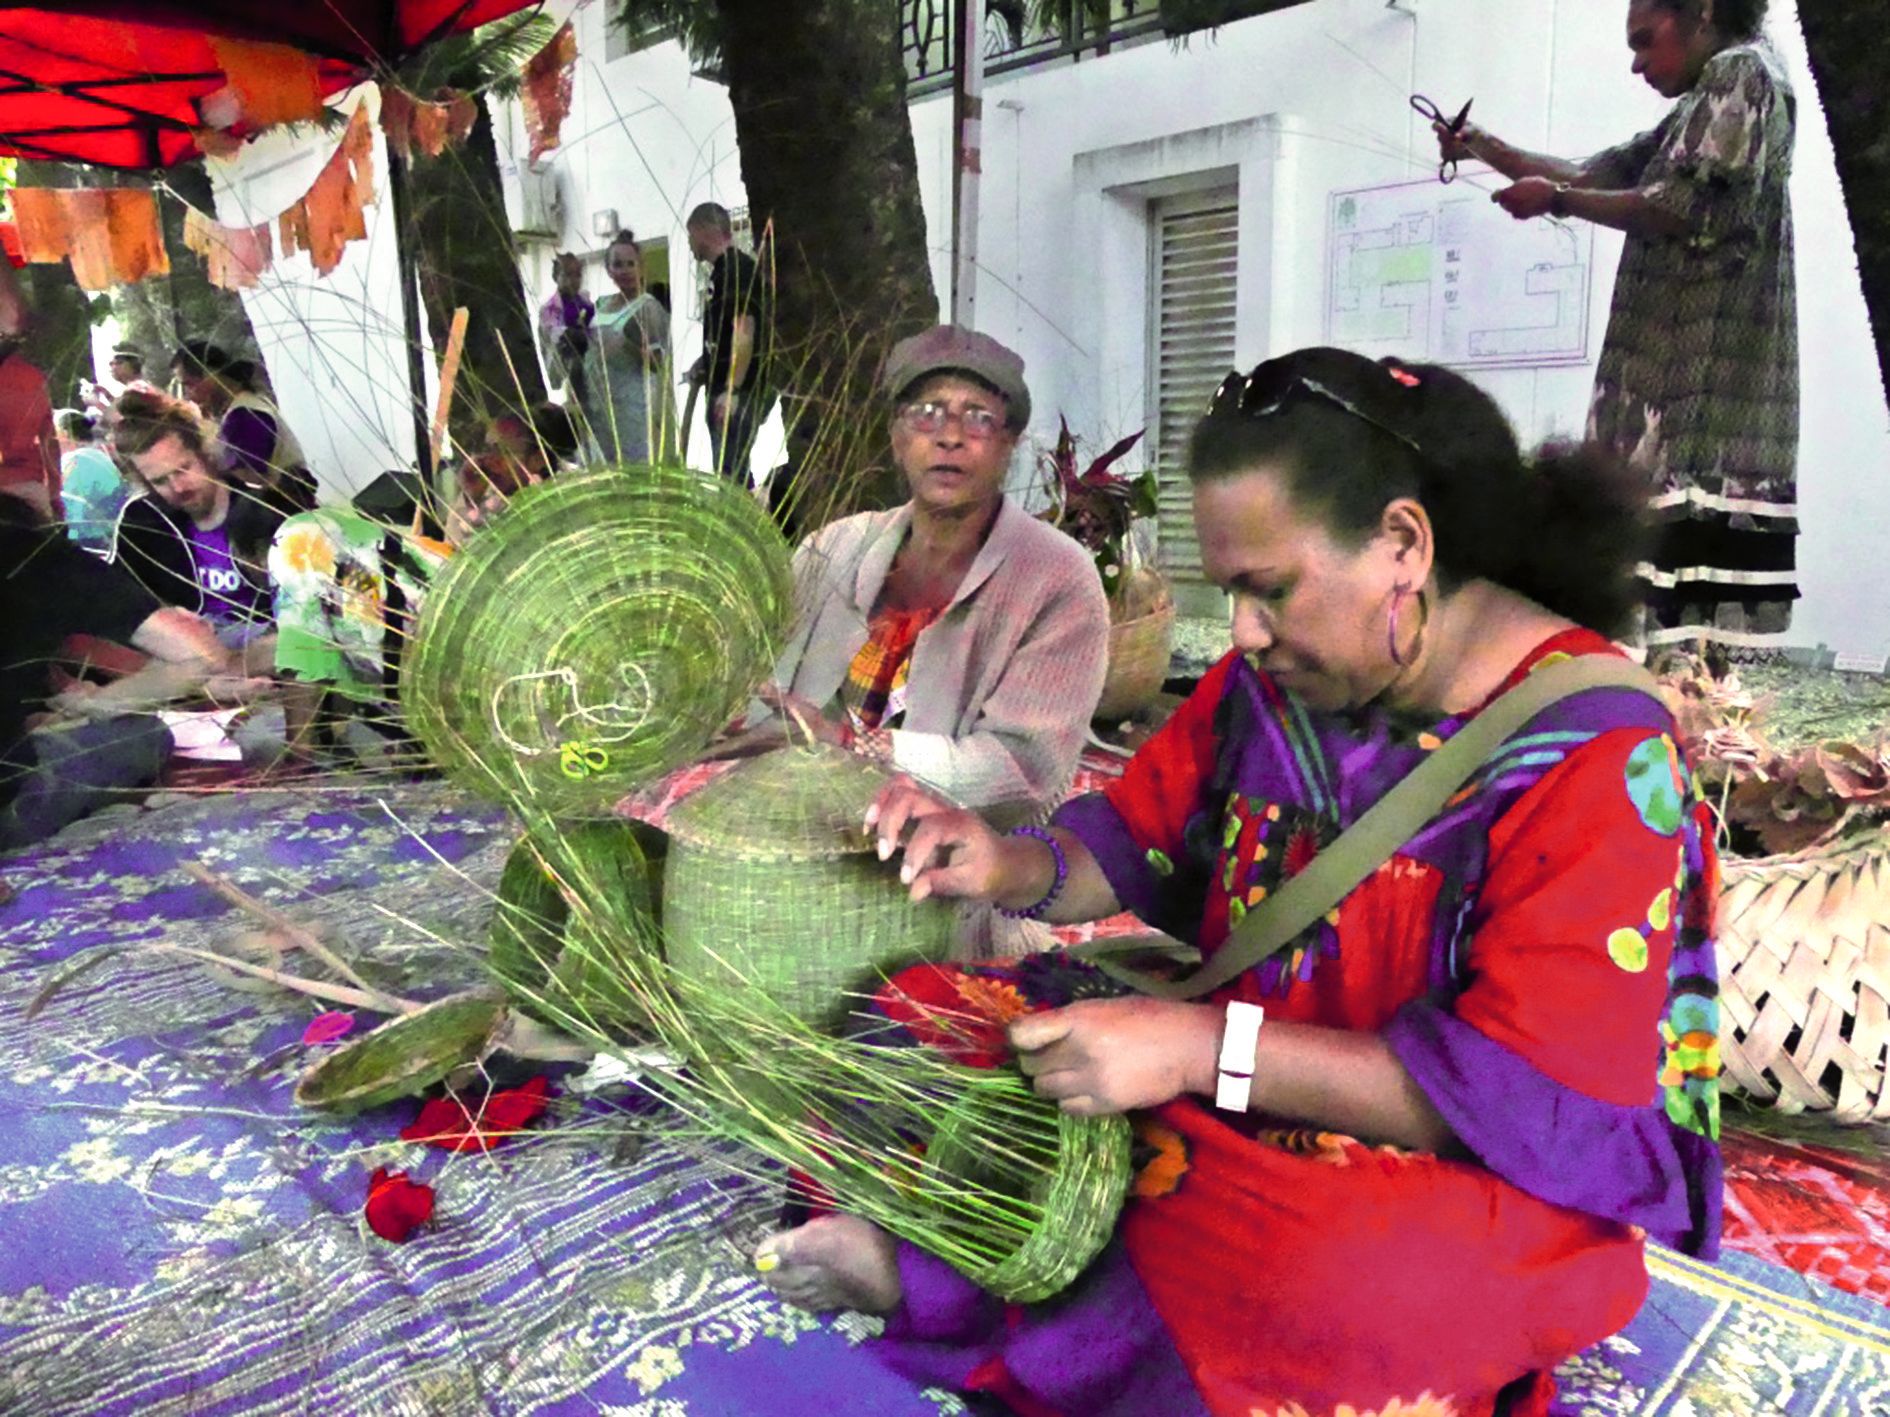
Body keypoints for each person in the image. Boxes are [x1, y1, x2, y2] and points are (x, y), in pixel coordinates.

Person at [755, 347, 1722, 1417]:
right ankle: (972, 1276)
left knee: (1325, 1282)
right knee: (905, 1019)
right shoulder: (1274, 677)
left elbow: (1515, 1100)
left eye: (1268, 592)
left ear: (1402, 543)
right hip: (1206, 1087)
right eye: (1230, 596)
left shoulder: (1595, 749)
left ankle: (948, 1280)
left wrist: (1202, 1049)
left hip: (1431, 1167)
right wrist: (999, 859)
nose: (1243, 634)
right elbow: (1132, 843)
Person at [1438, 0, 1795, 649]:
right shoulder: (1697, 104)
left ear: (1702, 11)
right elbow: (1589, 172)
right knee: (1664, 618)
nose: (1637, 64)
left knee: (1682, 621)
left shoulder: (1742, 72)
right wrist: (1479, 145)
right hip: (1672, 386)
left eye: (1645, 41)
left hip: (1703, 394)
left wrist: (1560, 202)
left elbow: (1682, 206)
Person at [733, 325, 1108, 826]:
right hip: (804, 836)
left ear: (1007, 448)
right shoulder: (835, 548)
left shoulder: (1059, 579)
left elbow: (1023, 768)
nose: (949, 436)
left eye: (978, 419)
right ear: (896, 439)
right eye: (926, 413)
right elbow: (763, 688)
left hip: (952, 871)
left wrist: (848, 743)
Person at [0, 494, 233, 849]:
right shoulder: (36, 554)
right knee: (147, 733)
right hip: (11, 806)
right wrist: (97, 704)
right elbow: (201, 655)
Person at [109, 391, 285, 664]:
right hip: (190, 659)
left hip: (268, 649)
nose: (178, 488)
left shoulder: (264, 510)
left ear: (204, 453)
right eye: (160, 481)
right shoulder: (142, 523)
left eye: (183, 469)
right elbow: (125, 608)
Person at [172, 341, 318, 515]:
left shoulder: (244, 415)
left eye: (189, 384)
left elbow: (248, 479)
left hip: (285, 520)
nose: (189, 395)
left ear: (212, 375)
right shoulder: (243, 407)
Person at [686, 202, 773, 483]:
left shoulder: (736, 271)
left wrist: (732, 390)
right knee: (729, 471)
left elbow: (744, 331)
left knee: (732, 476)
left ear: (702, 231)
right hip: (725, 387)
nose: (690, 244)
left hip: (736, 392)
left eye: (690, 236)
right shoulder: (723, 272)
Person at [579, 231, 673, 465]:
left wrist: (625, 345)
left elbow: (658, 364)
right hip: (598, 408)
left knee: (633, 472)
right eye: (618, 264)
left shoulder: (647, 307)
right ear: (609, 270)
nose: (625, 270)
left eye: (631, 264)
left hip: (632, 412)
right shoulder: (601, 305)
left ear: (641, 266)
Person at [54, 408, 126, 551]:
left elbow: (69, 509)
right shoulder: (100, 458)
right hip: (111, 536)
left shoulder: (74, 460)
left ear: (64, 434)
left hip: (89, 540)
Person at [538, 252, 595, 410]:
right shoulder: (550, 308)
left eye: (578, 275)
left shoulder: (585, 302)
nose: (573, 280)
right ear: (556, 276)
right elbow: (561, 336)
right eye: (567, 275)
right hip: (566, 369)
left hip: (590, 368)